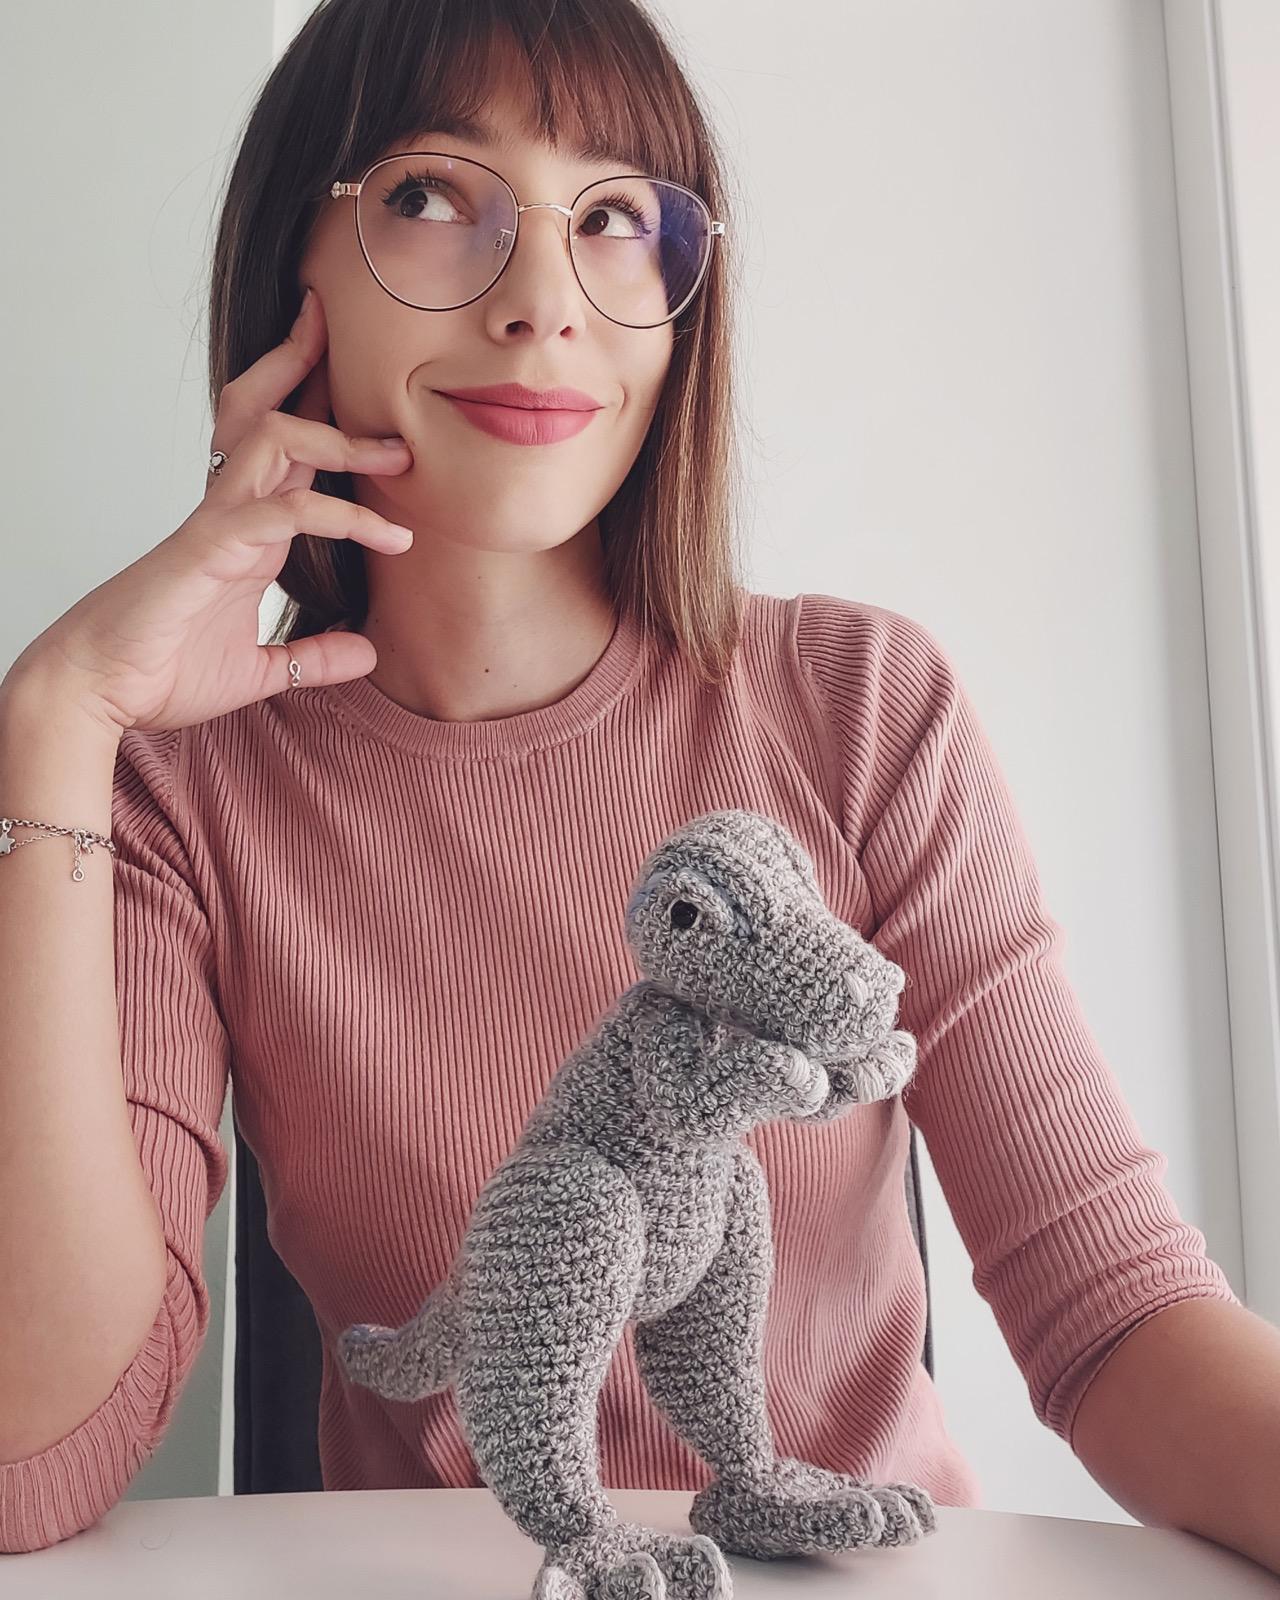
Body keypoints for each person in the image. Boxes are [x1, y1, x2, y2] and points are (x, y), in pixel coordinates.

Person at [0, 0, 1246, 1564]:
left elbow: (1117, 1313)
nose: (543, 302)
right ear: (289, 271)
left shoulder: (861, 705)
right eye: (435, 196)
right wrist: (54, 727)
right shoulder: (177, 792)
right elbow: (30, 1467)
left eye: (613, 219)